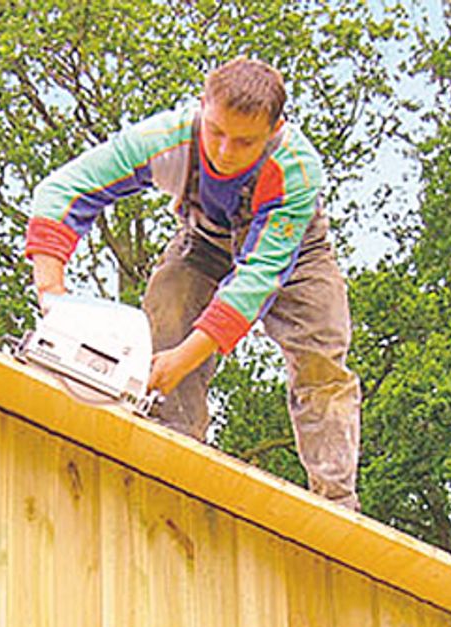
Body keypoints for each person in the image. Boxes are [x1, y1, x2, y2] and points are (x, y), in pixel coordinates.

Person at [24, 57, 361, 510]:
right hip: (203, 240)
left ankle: (337, 500)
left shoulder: (296, 169)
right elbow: (61, 191)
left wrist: (185, 358)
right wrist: (53, 298)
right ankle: (172, 455)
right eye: (216, 132)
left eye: (244, 142)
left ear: (275, 129)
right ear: (203, 106)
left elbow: (256, 281)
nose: (224, 151)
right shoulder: (167, 138)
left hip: (297, 257)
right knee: (167, 312)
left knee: (320, 357)